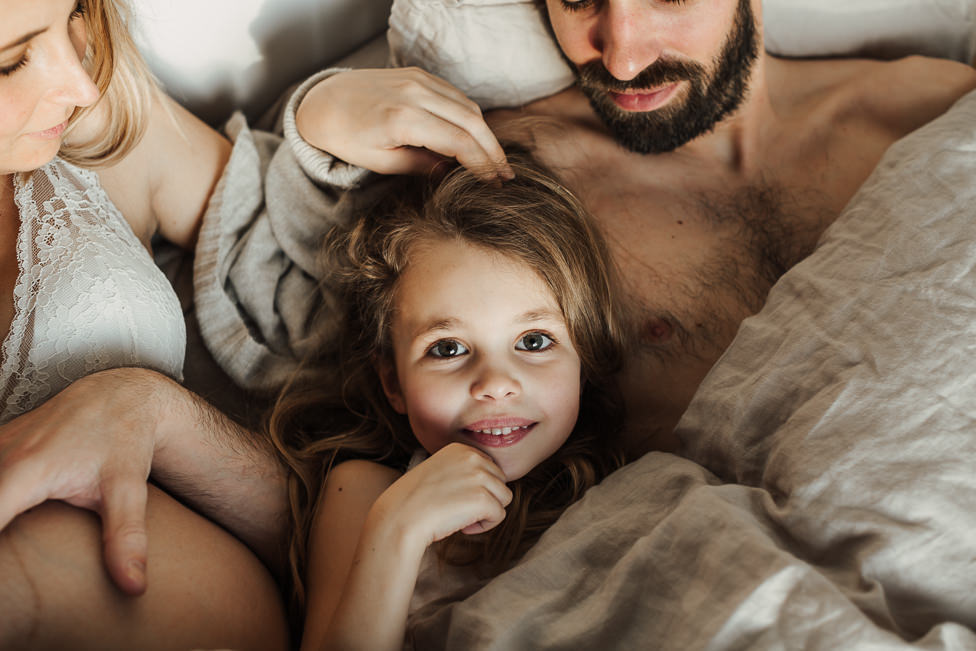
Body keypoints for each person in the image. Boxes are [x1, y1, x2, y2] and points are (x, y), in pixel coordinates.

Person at [291, 0, 976, 456]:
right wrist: (316, 113)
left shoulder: (936, 111)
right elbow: (340, 288)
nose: (620, 58)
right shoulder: (510, 170)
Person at [0, 0, 289, 647]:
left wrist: (320, 119)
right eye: (11, 61)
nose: (76, 79)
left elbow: (303, 259)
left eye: (71, 13)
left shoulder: (88, 123)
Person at [268, 152, 628, 649]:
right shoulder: (370, 495)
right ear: (393, 383)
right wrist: (397, 529)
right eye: (448, 349)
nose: (495, 384)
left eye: (534, 341)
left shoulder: (621, 487)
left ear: (584, 359)